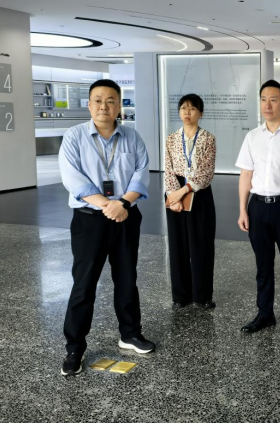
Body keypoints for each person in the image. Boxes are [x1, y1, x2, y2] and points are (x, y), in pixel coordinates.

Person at [59, 79, 154, 376]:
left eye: (111, 100)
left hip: (126, 216)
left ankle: (130, 333)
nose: (104, 106)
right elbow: (72, 178)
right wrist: (107, 204)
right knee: (84, 283)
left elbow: (141, 173)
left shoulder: (132, 137)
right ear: (89, 105)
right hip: (89, 219)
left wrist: (122, 203)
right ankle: (75, 346)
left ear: (119, 106)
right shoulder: (74, 136)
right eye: (98, 100)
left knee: (127, 277)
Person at [236, 80, 280, 341]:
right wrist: (243, 210)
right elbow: (246, 175)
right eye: (264, 99)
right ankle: (265, 313)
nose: (268, 104)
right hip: (258, 207)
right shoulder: (253, 136)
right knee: (263, 265)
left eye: (274, 99)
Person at [164, 94, 217, 310]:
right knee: (177, 245)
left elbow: (207, 172)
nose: (187, 112)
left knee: (201, 244)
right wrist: (172, 195)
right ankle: (180, 295)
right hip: (175, 192)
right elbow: (168, 169)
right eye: (183, 108)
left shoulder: (208, 138)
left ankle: (202, 296)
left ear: (200, 113)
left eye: (193, 108)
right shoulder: (171, 139)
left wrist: (183, 191)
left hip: (199, 192)